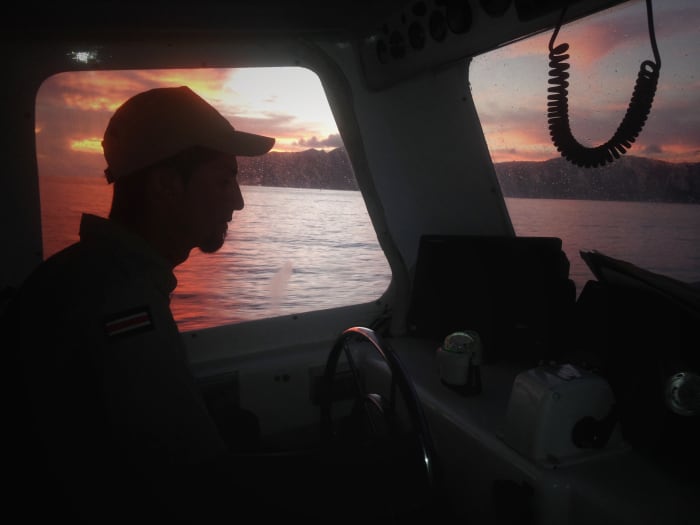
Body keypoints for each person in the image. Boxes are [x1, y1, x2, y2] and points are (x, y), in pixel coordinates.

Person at [5, 86, 275, 523]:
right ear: (165, 186)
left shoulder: (81, 273)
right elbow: (190, 481)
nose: (238, 201)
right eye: (225, 180)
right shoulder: (123, 303)